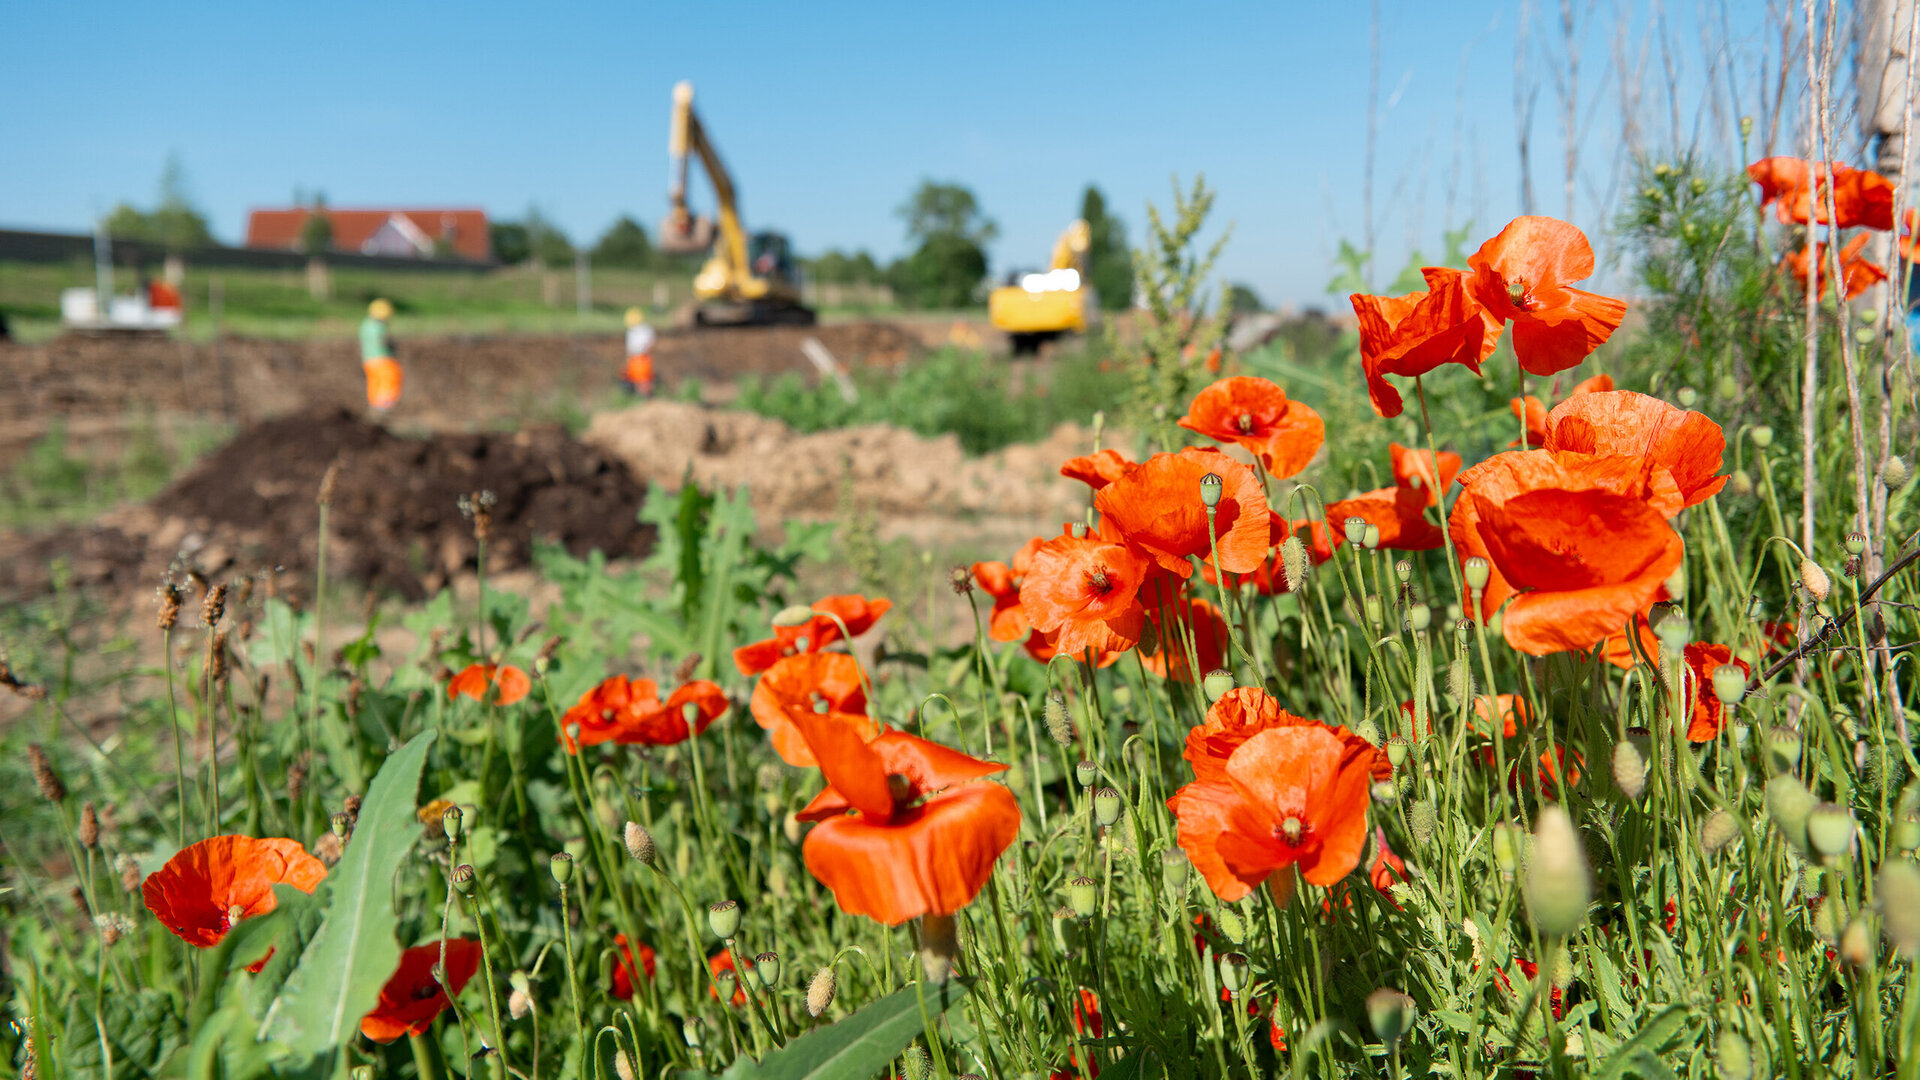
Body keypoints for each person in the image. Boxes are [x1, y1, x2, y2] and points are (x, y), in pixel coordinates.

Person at [360, 298, 403, 413]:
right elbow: (383, 341)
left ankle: (375, 406)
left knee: (375, 383)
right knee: (389, 380)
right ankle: (384, 407)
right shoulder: (379, 326)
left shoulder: (365, 324)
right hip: (383, 359)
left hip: (368, 360)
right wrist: (392, 347)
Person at [623, 307, 656, 397]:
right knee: (639, 380)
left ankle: (646, 397)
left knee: (643, 380)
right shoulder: (640, 330)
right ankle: (643, 397)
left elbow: (648, 345)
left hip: (641, 358)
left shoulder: (642, 330)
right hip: (638, 359)